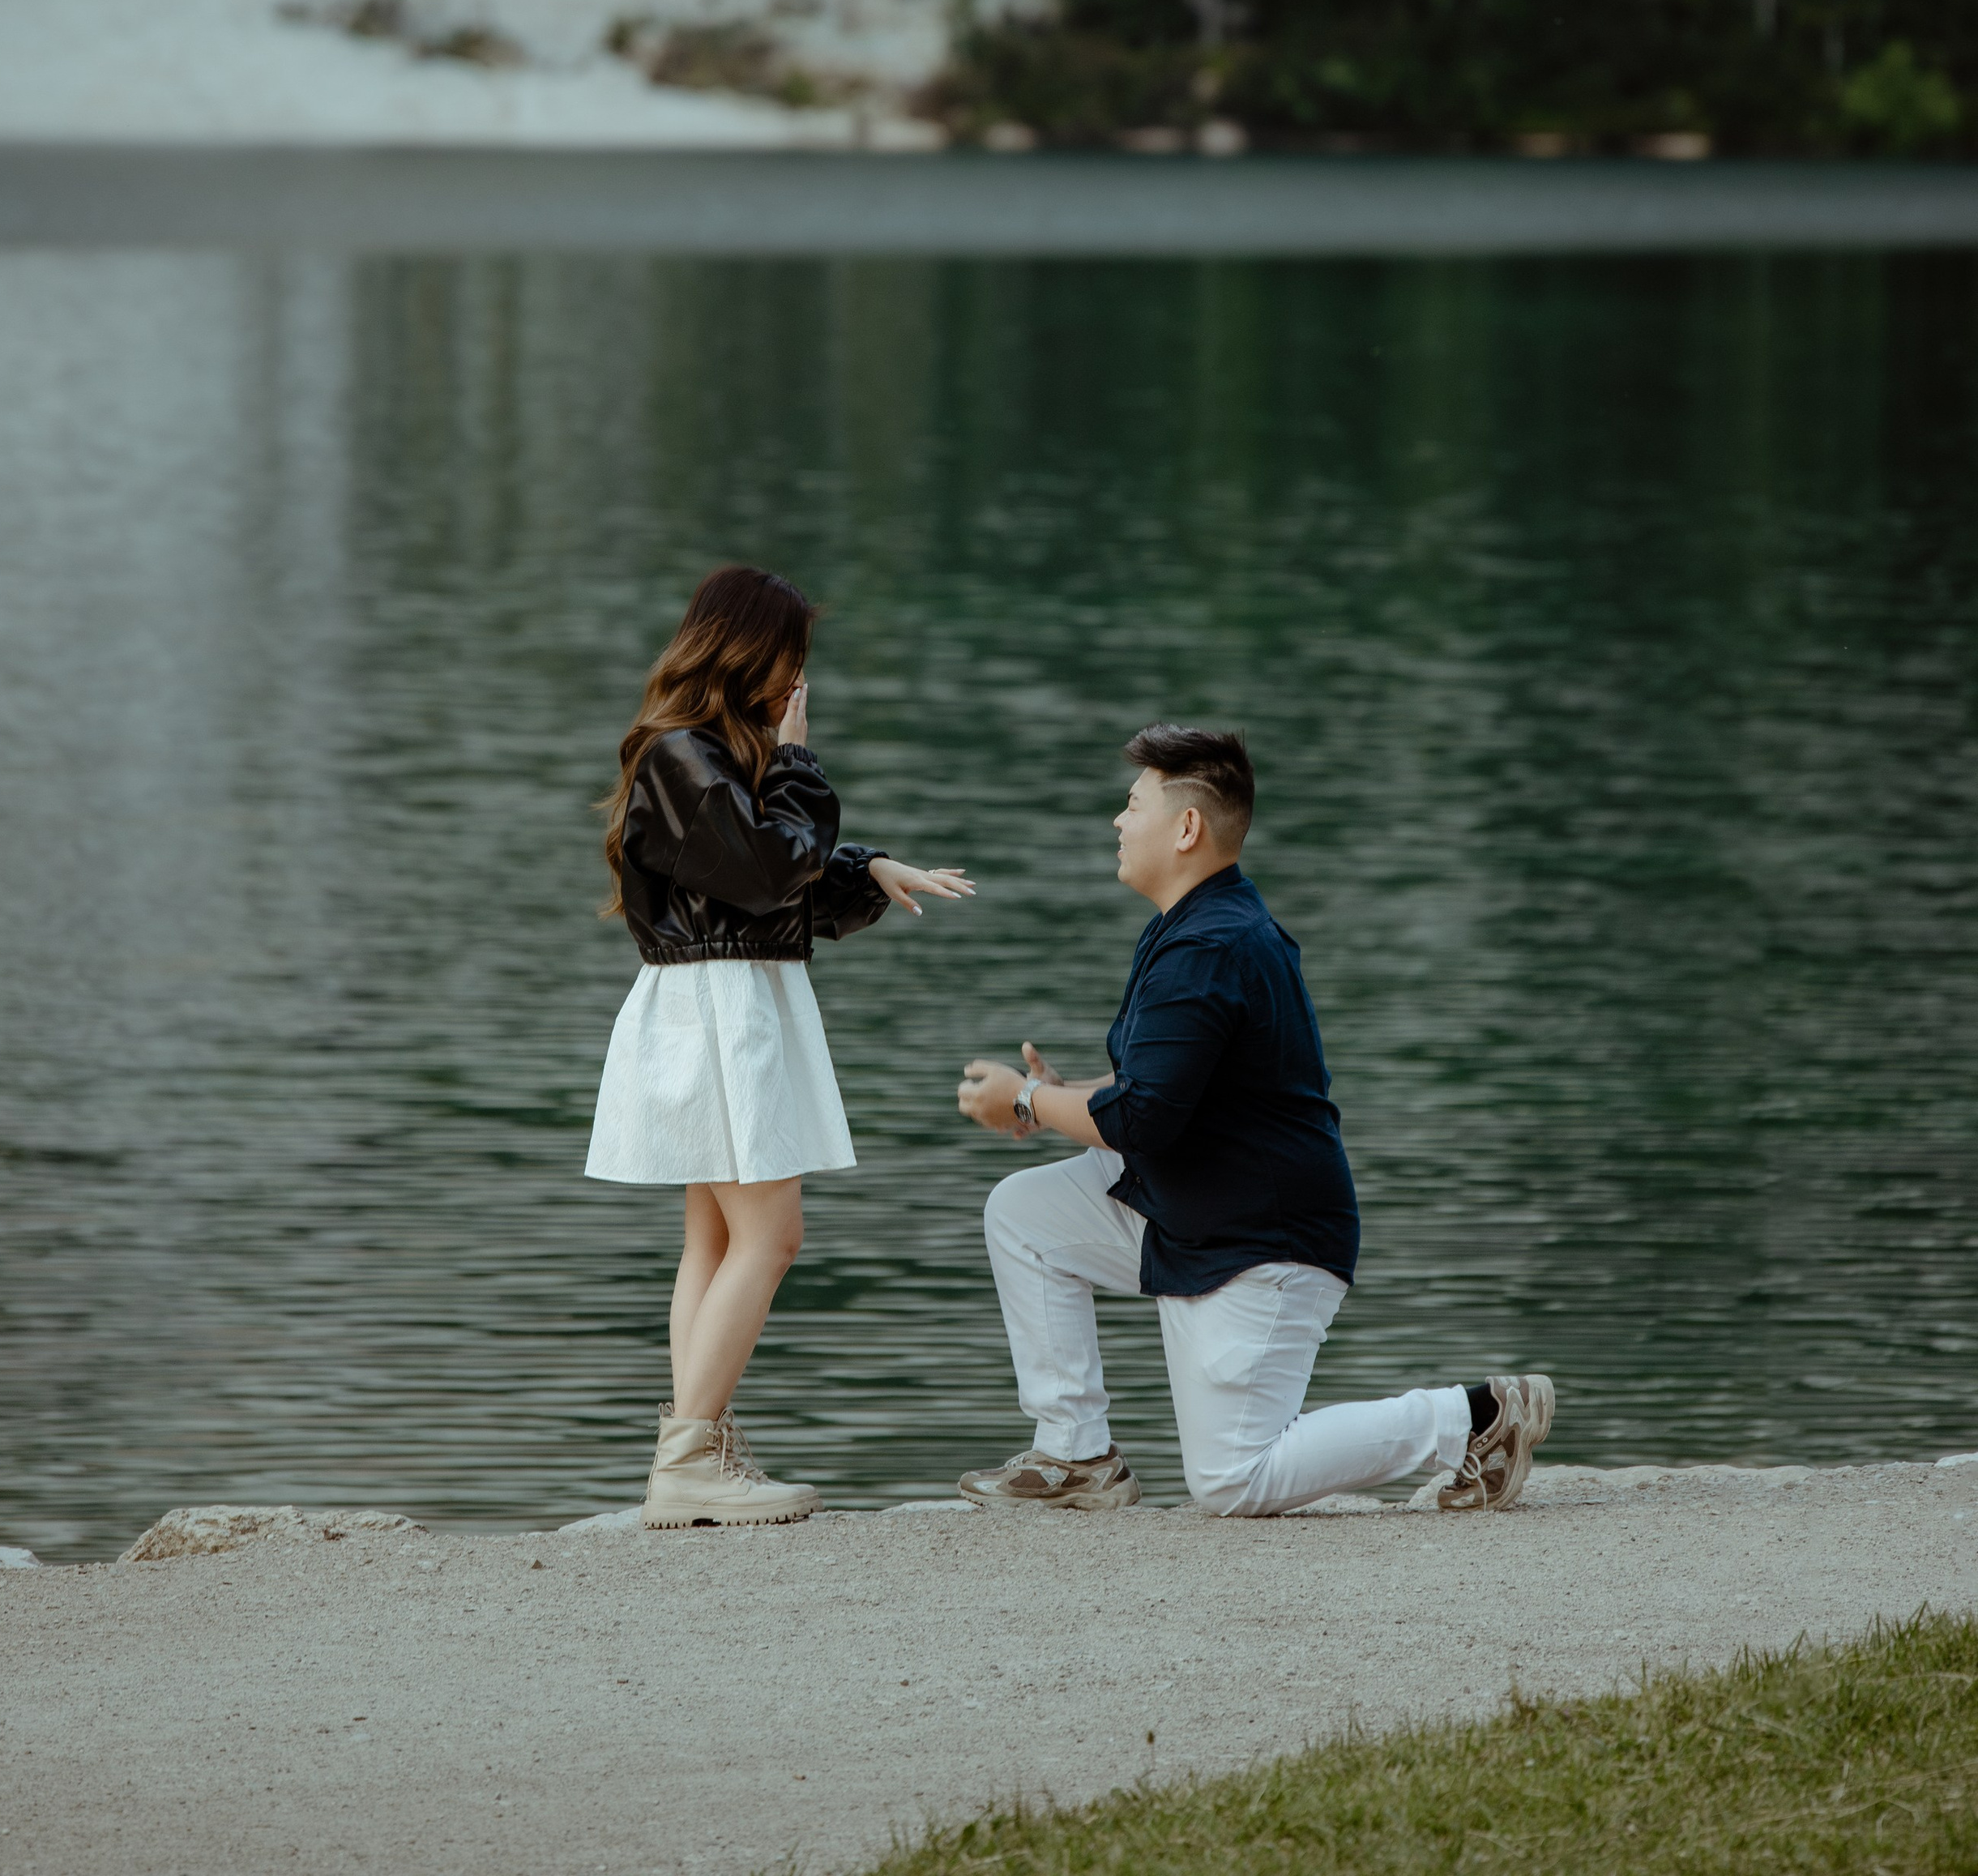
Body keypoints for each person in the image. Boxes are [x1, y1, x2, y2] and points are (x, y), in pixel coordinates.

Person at [953, 724, 1553, 1515]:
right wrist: (1073, 1093)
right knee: (1023, 1213)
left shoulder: (1211, 943)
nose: (1116, 820)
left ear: (1188, 827)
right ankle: (1076, 1456)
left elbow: (1144, 1115)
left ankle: (1477, 1416)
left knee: (1233, 1480)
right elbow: (1161, 1084)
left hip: (1263, 1238)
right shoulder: (1202, 924)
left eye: (1132, 804)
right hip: (1193, 1203)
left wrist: (1028, 1101)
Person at [587, 563, 972, 1528]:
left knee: (716, 1236)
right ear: (750, 652)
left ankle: (698, 1444)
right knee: (772, 1234)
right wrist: (799, 761)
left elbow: (775, 876)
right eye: (791, 661)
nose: (796, 684)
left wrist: (870, 868)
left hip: (720, 998)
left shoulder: (699, 755)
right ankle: (687, 1454)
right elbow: (766, 869)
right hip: (721, 1008)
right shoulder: (681, 753)